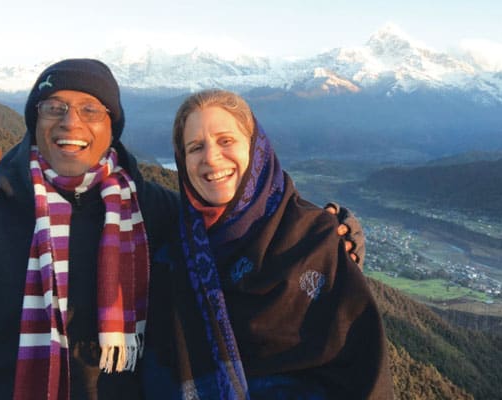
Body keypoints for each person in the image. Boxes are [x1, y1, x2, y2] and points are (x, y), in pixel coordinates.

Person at [0, 59, 366, 399]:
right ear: (34, 121)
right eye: (53, 108)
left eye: (89, 110)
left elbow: (239, 240)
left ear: (112, 128)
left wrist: (327, 235)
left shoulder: (154, 215)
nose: (70, 123)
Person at [143, 89, 391, 399]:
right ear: (183, 161)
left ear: (256, 148)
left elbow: (362, 365)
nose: (210, 157)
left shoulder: (314, 238)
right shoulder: (173, 252)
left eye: (225, 141)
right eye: (195, 147)